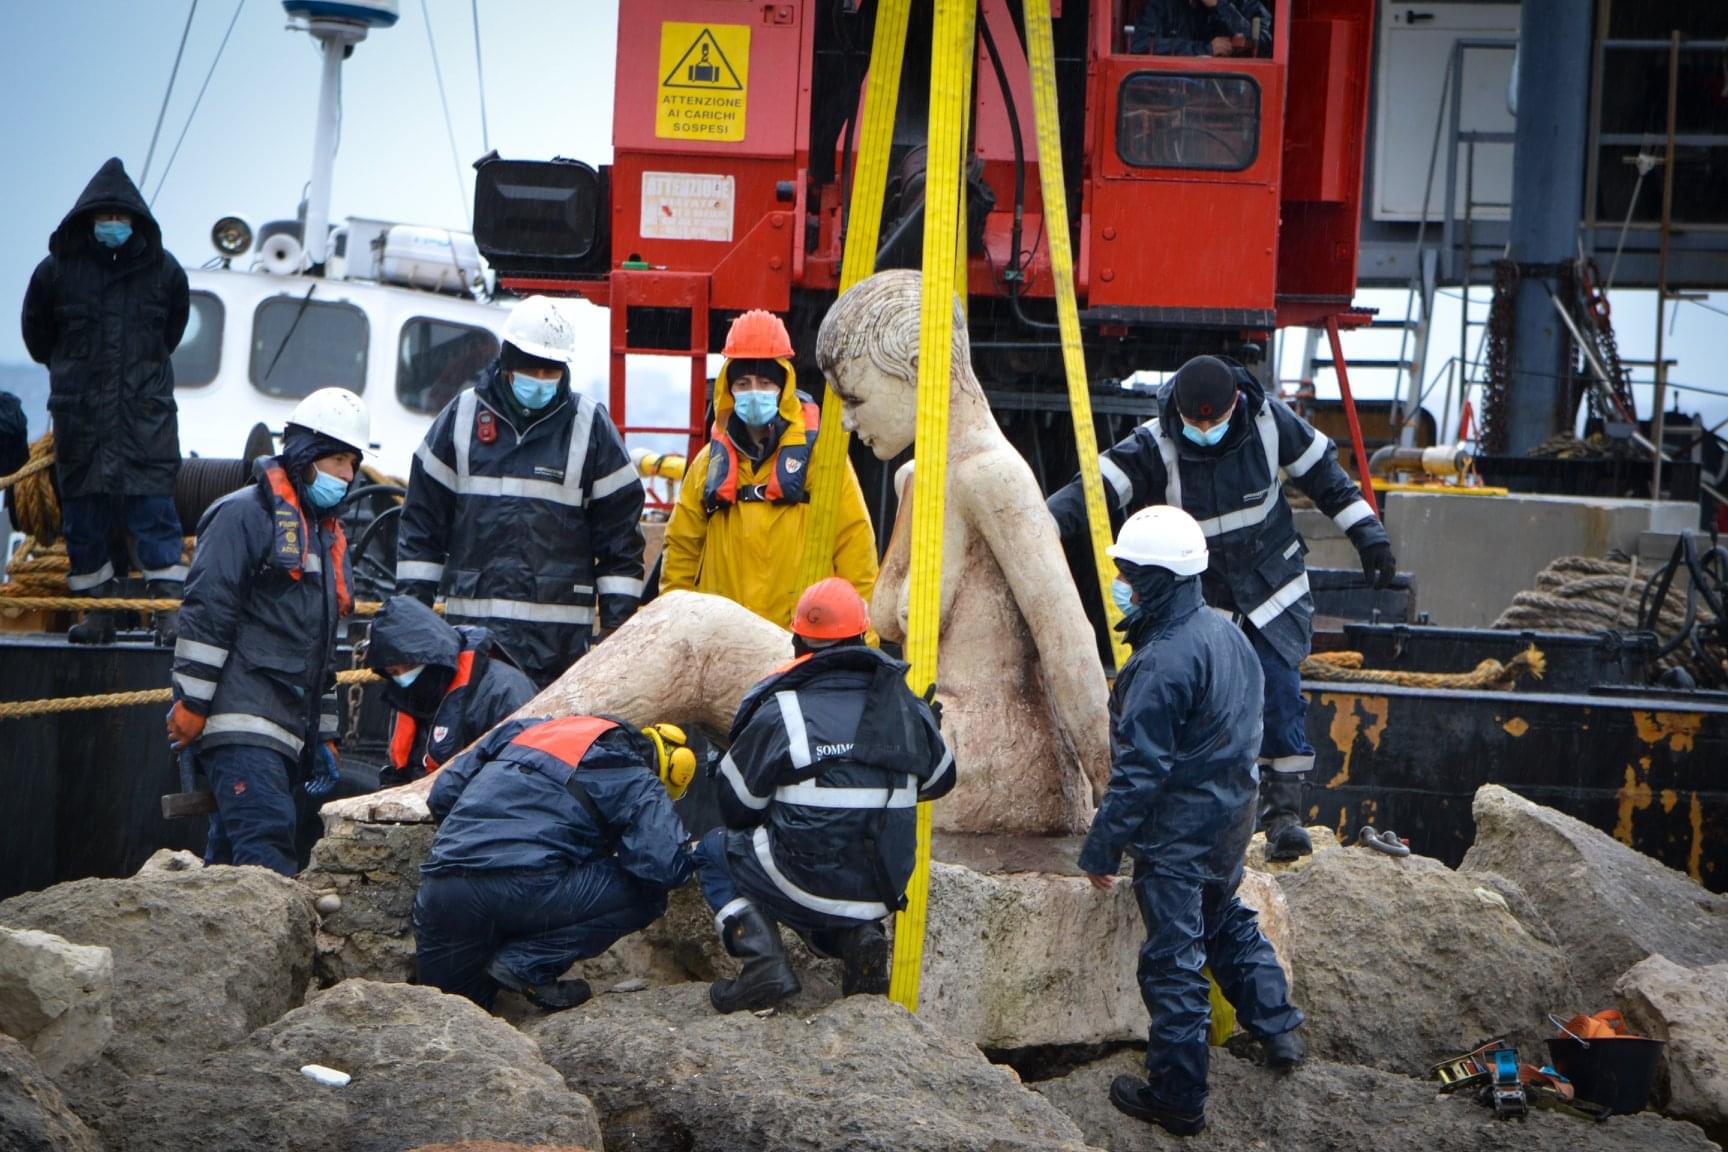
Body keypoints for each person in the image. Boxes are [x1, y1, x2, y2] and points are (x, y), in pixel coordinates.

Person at [1048, 354, 1395, 861]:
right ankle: (1204, 819)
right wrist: (1039, 527)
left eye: (1215, 420)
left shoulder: (1271, 422)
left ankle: (1284, 818)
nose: (1205, 429)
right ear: (1180, 412)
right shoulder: (1156, 442)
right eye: (1196, 421)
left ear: (1237, 403)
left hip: (1274, 594)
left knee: (1279, 697)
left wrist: (1370, 536)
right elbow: (1092, 491)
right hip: (1206, 605)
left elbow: (1327, 479)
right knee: (1202, 715)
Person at [1080, 506, 1304, 1136]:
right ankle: (1280, 1030)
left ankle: (1177, 1099)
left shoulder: (1159, 663)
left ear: (1156, 580)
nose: (1119, 582)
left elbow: (1140, 773)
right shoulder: (1228, 636)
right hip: (1231, 818)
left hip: (1178, 832)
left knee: (1173, 960)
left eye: (1127, 573)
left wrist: (1102, 850)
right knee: (1226, 921)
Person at [693, 577, 954, 1013]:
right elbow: (939, 782)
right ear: (864, 636)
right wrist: (918, 733)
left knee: (715, 852)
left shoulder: (785, 710)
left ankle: (764, 968)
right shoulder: (905, 706)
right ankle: (858, 937)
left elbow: (737, 809)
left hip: (806, 878)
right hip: (881, 886)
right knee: (825, 862)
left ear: (798, 640)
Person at [166, 388, 369, 877]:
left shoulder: (321, 534)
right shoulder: (242, 516)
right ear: (304, 455)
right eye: (337, 459)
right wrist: (191, 704)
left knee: (231, 861)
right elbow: (207, 614)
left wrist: (323, 735)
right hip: (241, 724)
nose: (346, 475)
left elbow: (319, 652)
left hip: (282, 732)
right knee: (268, 853)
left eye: (352, 463)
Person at [396, 295, 645, 690]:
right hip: (471, 647)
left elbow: (620, 544)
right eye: (532, 369)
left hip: (559, 657)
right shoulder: (460, 419)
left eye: (551, 371)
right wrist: (412, 618)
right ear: (508, 362)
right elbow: (421, 531)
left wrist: (616, 628)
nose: (541, 381)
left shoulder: (589, 427)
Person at [414, 713, 698, 1011]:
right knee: (648, 894)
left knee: (453, 1017)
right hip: (528, 888)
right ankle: (526, 962)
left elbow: (442, 796)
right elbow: (664, 865)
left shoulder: (529, 729)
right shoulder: (635, 774)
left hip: (442, 891)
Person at [21, 158, 190, 645]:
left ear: (136, 219)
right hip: (83, 424)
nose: (112, 223)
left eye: (121, 215)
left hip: (146, 422)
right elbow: (38, 338)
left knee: (156, 516)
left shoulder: (165, 272)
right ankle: (97, 615)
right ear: (87, 218)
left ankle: (169, 615)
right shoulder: (54, 273)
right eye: (104, 215)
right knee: (84, 520)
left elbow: (170, 331)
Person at [660, 310, 878, 630]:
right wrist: (675, 631)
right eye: (743, 382)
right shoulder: (708, 464)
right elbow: (680, 551)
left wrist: (862, 642)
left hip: (802, 642)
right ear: (728, 389)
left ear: (784, 386)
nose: (754, 391)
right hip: (724, 644)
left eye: (765, 383)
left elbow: (855, 549)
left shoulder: (823, 459)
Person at [364, 594, 538, 788]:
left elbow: (524, 772)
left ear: (434, 654)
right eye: (394, 672)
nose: (404, 677)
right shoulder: (408, 697)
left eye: (410, 665)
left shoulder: (503, 690)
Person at [1129, 0, 1272, 57]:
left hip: (1231, 100)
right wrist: (1206, 49)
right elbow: (1140, 44)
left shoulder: (1246, 4)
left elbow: (1266, 45)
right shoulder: (1163, 4)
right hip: (1173, 92)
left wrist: (1220, 6)